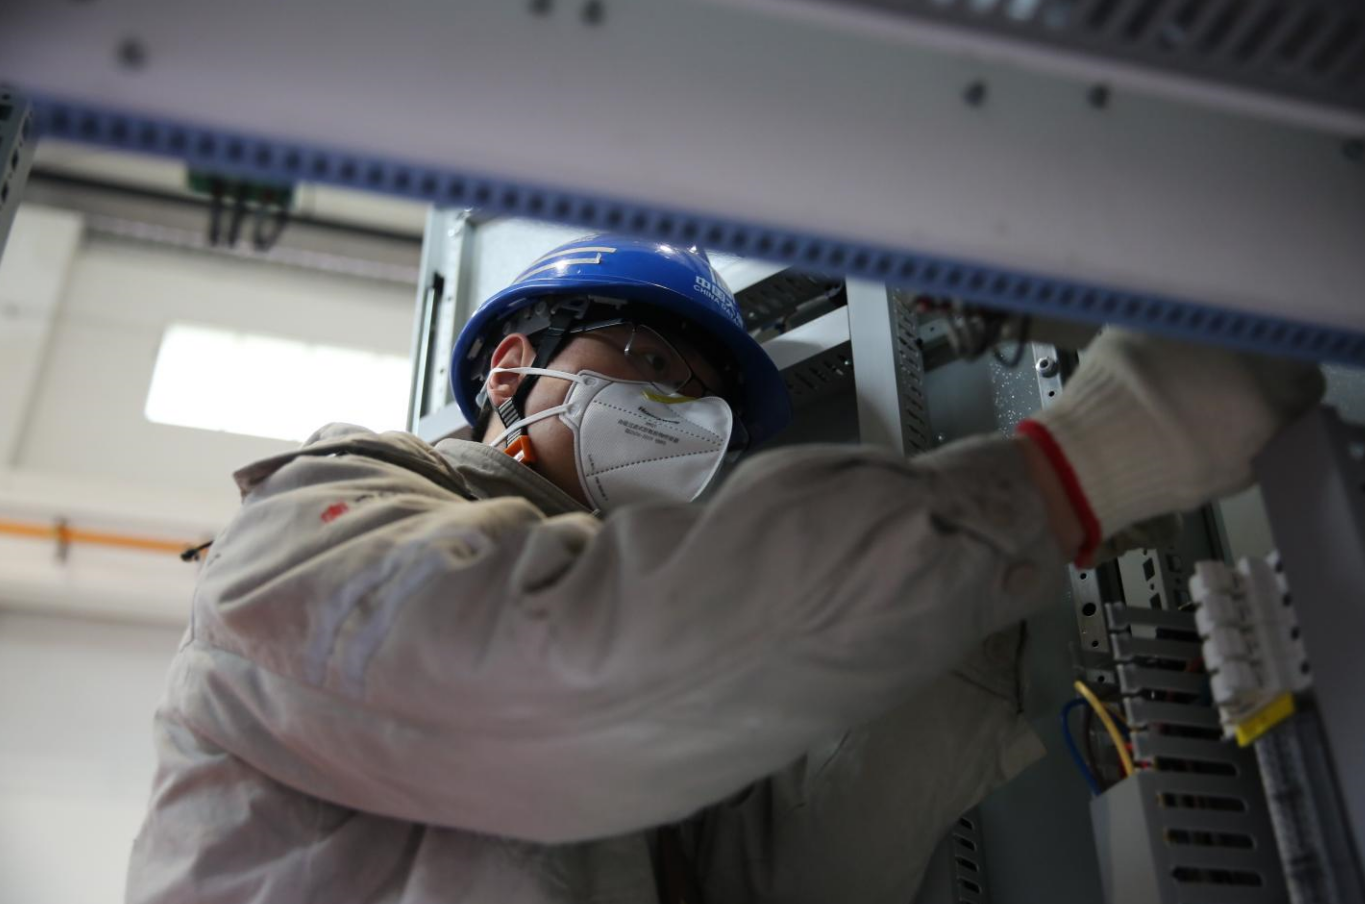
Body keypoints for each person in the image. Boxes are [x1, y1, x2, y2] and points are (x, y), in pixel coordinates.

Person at [126, 235, 1323, 904]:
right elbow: (565, 666)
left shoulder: (657, 726)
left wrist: (987, 603)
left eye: (706, 403)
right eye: (649, 360)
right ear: (509, 370)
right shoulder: (307, 528)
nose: (682, 414)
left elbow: (790, 872)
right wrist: (1073, 468)